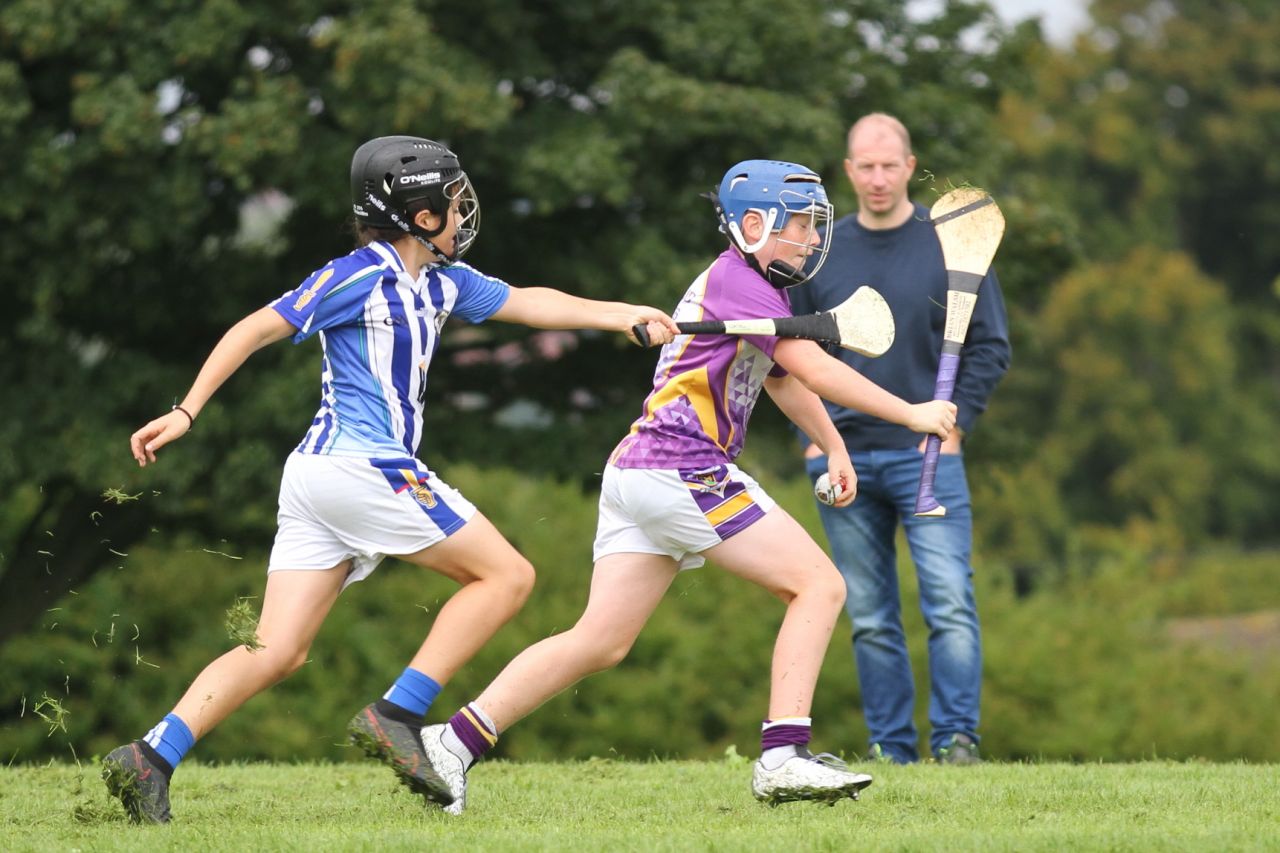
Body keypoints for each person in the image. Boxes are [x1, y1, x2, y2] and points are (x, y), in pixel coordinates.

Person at [101, 135, 680, 824]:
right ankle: (397, 713)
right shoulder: (357, 273)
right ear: (419, 214)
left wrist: (620, 315)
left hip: (318, 477)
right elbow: (254, 327)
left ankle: (149, 757)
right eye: (454, 204)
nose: (464, 217)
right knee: (507, 577)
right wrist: (186, 410)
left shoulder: (442, 281)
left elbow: (529, 301)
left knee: (279, 648)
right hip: (360, 467)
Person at [411, 159, 958, 815]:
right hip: (683, 465)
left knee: (600, 640)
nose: (814, 240)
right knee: (819, 584)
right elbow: (811, 362)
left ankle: (452, 742)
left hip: (638, 468)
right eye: (803, 227)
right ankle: (783, 754)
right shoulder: (739, 279)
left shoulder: (757, 290)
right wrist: (911, 412)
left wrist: (835, 444)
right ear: (753, 226)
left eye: (817, 227)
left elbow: (783, 378)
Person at [790, 114, 1011, 765]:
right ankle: (891, 748)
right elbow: (787, 353)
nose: (879, 177)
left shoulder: (953, 241)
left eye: (890, 165)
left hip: (931, 457)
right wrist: (815, 435)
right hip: (842, 457)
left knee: (948, 603)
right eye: (866, 166)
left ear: (910, 166)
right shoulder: (822, 249)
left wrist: (957, 422)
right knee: (870, 618)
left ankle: (957, 740)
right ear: (848, 170)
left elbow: (991, 345)